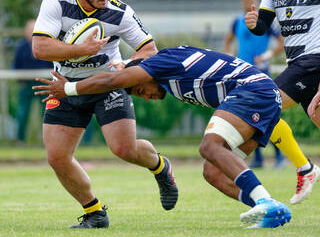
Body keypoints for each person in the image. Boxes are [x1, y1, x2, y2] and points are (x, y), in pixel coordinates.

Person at [33, 45, 292, 229]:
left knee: (210, 146)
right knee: (212, 173)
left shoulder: (158, 64)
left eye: (138, 90)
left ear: (142, 74)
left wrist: (69, 88)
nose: (145, 96)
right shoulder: (165, 69)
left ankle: (265, 201)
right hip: (265, 96)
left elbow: (113, 80)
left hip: (253, 89)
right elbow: (119, 74)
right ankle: (271, 208)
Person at [31, 0, 178, 229]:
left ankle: (160, 166)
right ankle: (94, 212)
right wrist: (82, 50)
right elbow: (40, 48)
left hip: (106, 84)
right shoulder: (56, 2)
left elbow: (149, 50)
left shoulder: (120, 11)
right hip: (64, 87)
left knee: (124, 148)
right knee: (57, 157)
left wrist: (127, 64)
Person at [244, 0, 320, 204]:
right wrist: (253, 24)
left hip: (314, 61)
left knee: (264, 103)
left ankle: (305, 168)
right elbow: (263, 25)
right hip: (296, 63)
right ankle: (306, 168)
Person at [224, 0, 286, 169]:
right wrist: (229, 54)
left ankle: (279, 157)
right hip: (242, 75)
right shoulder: (237, 22)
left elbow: (281, 42)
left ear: (257, 1)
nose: (246, 2)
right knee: (248, 117)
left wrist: (267, 56)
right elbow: (227, 41)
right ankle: (257, 159)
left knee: (270, 115)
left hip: (262, 75)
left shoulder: (265, 22)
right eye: (244, 0)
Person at [13, 19, 53, 143]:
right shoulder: (21, 47)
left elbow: (52, 63)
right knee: (22, 113)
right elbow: (15, 65)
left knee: (46, 113)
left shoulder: (45, 45)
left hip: (44, 84)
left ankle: (46, 140)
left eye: (33, 30)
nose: (31, 33)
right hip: (26, 85)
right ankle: (20, 140)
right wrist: (20, 81)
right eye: (29, 30)